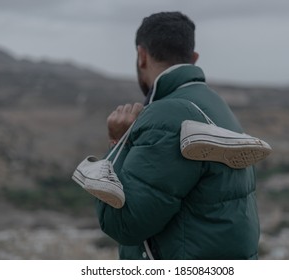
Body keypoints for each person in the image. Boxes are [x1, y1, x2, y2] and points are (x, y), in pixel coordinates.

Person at [95, 11, 260, 259]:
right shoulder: (214, 105)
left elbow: (124, 223)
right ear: (193, 58)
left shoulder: (168, 115)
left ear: (141, 56)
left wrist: (118, 142)